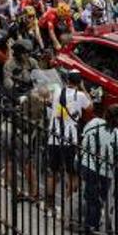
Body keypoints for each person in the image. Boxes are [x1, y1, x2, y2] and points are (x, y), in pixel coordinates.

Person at [78, 103, 118, 235]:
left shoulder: (94, 123)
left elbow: (84, 136)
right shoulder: (117, 134)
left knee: (90, 197)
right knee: (97, 201)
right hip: (103, 171)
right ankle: (91, 230)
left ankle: (89, 225)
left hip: (86, 164)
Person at [44, 68, 92, 210]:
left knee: (52, 171)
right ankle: (68, 206)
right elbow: (90, 108)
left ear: (67, 80)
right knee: (72, 174)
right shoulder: (81, 95)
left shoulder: (58, 91)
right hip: (70, 140)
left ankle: (49, 204)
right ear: (79, 81)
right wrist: (83, 88)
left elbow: (47, 96)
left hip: (54, 137)